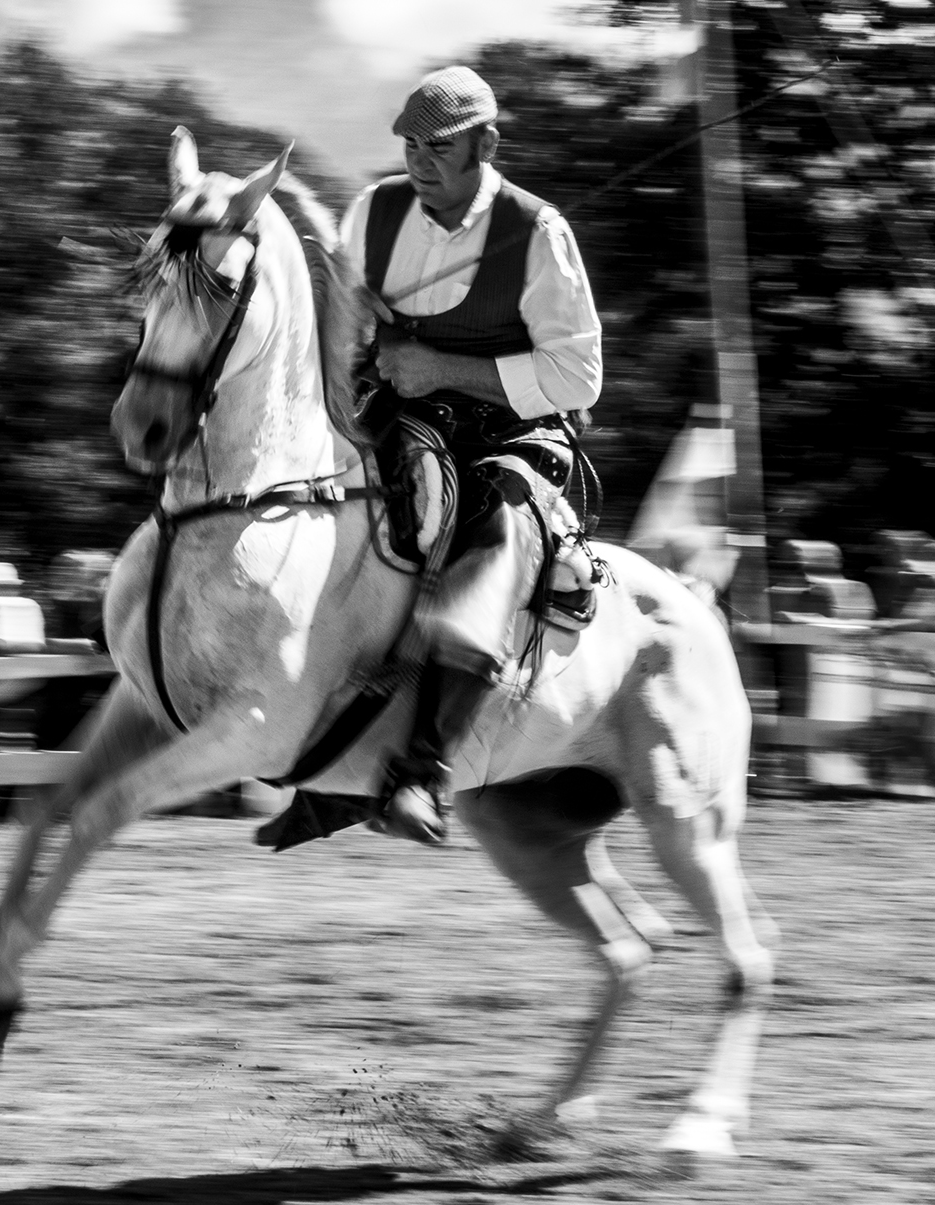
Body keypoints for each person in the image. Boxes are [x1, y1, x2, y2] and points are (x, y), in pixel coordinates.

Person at [339, 65, 603, 846]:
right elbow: (342, 321)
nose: (420, 159)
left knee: (489, 544)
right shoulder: (373, 210)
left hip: (511, 439)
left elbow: (580, 375)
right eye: (411, 143)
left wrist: (444, 369)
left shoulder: (539, 230)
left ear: (487, 143)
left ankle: (421, 774)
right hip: (397, 422)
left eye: (441, 145)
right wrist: (355, 318)